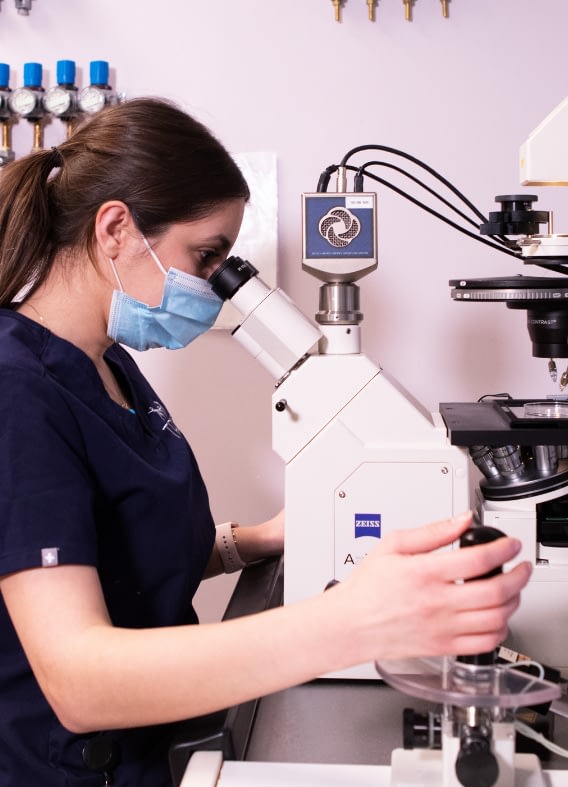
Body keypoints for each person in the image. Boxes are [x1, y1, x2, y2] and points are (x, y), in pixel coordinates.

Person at [0, 97, 531, 786]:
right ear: (115, 229)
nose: (220, 284)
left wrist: (261, 537)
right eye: (208, 255)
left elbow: (127, 552)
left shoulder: (111, 365)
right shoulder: (18, 391)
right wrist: (354, 621)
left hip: (156, 750)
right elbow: (79, 682)